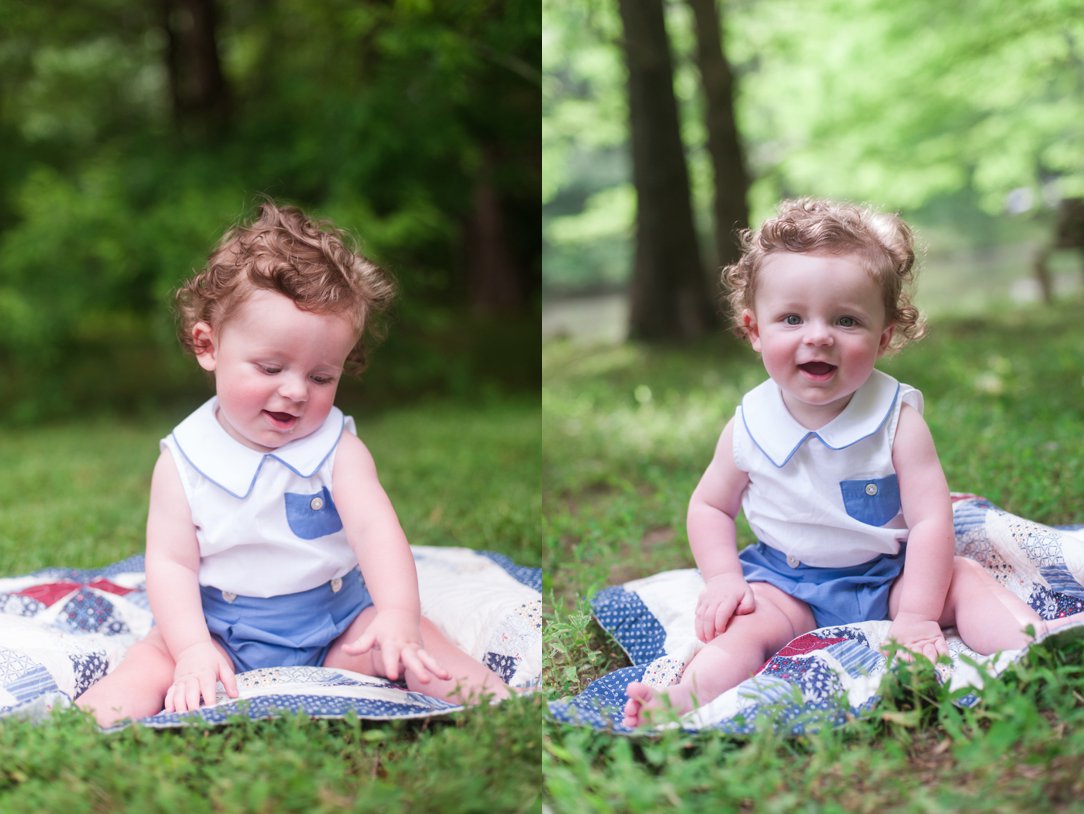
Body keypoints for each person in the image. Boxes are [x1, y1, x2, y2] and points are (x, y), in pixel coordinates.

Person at [623, 198, 1076, 727]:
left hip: (891, 575)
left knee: (967, 577)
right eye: (791, 318)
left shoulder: (896, 419)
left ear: (883, 338)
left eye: (846, 320)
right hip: (787, 583)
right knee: (743, 630)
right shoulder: (750, 424)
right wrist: (723, 579)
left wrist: (917, 615)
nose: (818, 335)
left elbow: (932, 520)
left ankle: (1039, 649)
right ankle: (684, 697)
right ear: (754, 330)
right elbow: (708, 506)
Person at [77, 201, 509, 727]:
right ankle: (68, 731)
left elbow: (376, 532)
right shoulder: (184, 460)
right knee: (148, 665)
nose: (295, 391)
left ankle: (503, 707)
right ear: (208, 345)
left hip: (335, 624)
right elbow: (171, 564)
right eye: (271, 366)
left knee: (416, 645)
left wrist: (397, 617)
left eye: (322, 377)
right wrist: (191, 647)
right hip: (219, 631)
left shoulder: (337, 448)